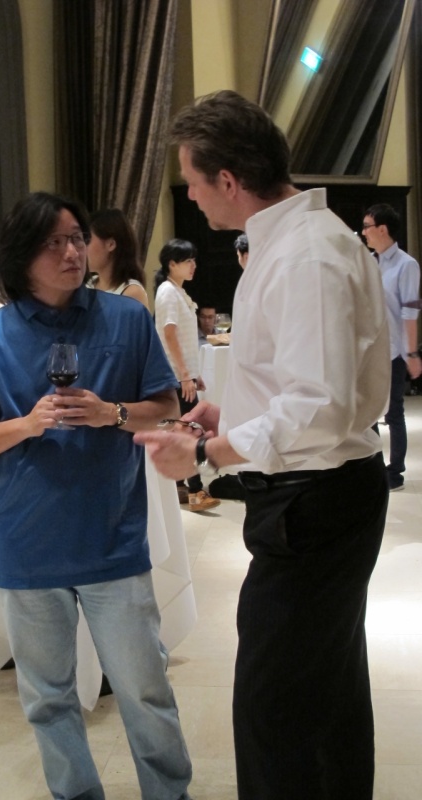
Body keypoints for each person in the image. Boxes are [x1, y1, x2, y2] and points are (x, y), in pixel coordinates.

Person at [135, 90, 391, 800]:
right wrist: (231, 413)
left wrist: (206, 454)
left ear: (228, 180)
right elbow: (304, 386)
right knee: (329, 693)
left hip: (315, 502)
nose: (190, 195)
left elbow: (318, 406)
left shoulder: (307, 255)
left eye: (192, 181)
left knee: (274, 713)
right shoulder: (297, 242)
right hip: (323, 492)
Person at [0, 191, 193, 800]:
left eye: (77, 237)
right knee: (48, 698)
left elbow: (165, 406)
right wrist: (26, 425)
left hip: (113, 539)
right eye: (54, 242)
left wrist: (111, 413)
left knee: (144, 688)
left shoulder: (125, 319)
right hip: (28, 546)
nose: (72, 252)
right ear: (21, 256)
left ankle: (169, 792)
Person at [155, 239, 220, 512]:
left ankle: (182, 486)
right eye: (187, 261)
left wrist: (193, 374)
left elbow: (183, 338)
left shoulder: (178, 291)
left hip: (182, 376)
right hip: (175, 376)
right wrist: (184, 375)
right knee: (190, 430)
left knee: (184, 429)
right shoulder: (168, 291)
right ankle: (195, 491)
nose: (193, 266)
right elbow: (169, 334)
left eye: (194, 260)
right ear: (172, 264)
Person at [362, 203, 421, 491]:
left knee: (393, 412)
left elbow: (409, 313)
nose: (363, 233)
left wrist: (412, 353)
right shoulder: (371, 262)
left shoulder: (406, 265)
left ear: (382, 229)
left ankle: (395, 472)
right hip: (370, 350)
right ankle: (373, 468)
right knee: (369, 412)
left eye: (367, 227)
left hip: (394, 350)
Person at [86, 207, 150, 308]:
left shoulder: (131, 292)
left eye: (87, 241)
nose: (82, 248)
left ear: (111, 244)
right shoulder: (89, 285)